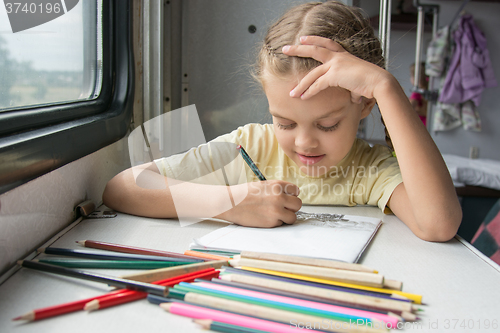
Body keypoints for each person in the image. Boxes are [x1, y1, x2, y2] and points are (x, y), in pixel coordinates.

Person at [103, 1, 461, 242]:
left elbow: (439, 223)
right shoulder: (250, 147)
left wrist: (385, 87)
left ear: (365, 105)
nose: (304, 143)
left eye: (327, 125)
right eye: (285, 124)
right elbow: (123, 188)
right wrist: (230, 202)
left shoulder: (370, 169)